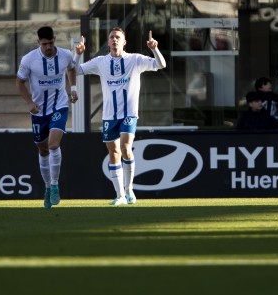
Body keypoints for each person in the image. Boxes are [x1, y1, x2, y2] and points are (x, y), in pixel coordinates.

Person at [74, 28, 166, 206]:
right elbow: (76, 70)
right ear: (107, 43)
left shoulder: (135, 59)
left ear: (124, 42)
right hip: (109, 115)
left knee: (125, 147)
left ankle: (129, 188)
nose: (114, 40)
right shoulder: (100, 62)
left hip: (129, 113)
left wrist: (154, 48)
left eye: (118, 37)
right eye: (111, 38)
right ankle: (120, 195)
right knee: (113, 152)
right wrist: (78, 54)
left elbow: (160, 64)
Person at [16, 26, 78, 209]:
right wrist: (29, 102)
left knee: (53, 144)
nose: (49, 47)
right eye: (45, 44)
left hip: (59, 105)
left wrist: (73, 88)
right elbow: (19, 82)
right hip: (38, 111)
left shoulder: (65, 55)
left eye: (51, 43)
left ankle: (55, 185)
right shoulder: (29, 60)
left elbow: (72, 68)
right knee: (42, 150)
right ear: (38, 43)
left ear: (54, 39)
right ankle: (47, 186)